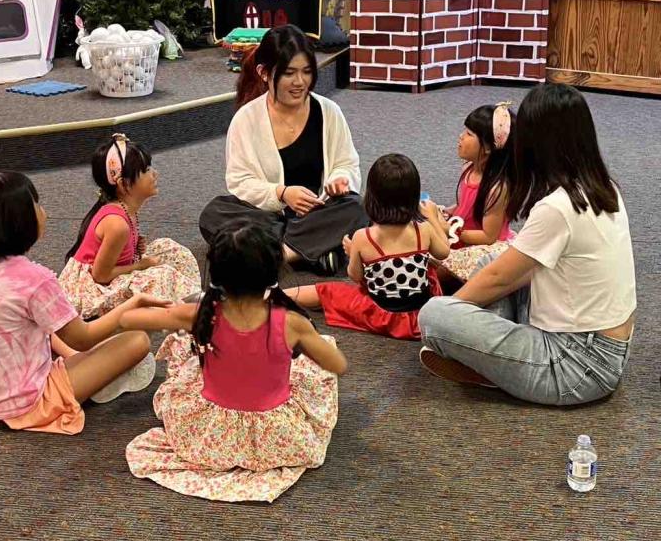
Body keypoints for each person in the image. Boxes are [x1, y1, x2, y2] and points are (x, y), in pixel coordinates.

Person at [418, 83, 636, 405]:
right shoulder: (604, 187)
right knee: (490, 263)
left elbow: (498, 279)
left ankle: (494, 365)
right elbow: (508, 271)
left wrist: (453, 314)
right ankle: (495, 360)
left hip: (575, 365)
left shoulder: (557, 207)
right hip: (602, 347)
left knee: (433, 314)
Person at [122, 221, 348, 503]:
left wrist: (144, 304)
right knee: (317, 359)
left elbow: (127, 320)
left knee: (184, 351)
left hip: (209, 437)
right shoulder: (291, 323)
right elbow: (337, 365)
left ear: (217, 273)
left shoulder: (199, 313)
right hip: (276, 439)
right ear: (273, 271)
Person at [0, 171, 168, 435]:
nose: (43, 211)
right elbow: (84, 338)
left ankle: (86, 368)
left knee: (52, 326)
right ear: (19, 221)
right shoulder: (35, 280)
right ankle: (92, 381)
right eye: (36, 204)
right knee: (138, 341)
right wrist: (132, 304)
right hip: (26, 403)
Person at [198, 25, 367, 275]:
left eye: (307, 72)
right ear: (264, 73)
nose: (300, 82)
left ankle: (280, 254)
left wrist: (339, 180)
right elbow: (239, 181)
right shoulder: (246, 118)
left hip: (319, 212)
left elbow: (346, 164)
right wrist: (282, 193)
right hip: (269, 216)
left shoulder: (329, 111)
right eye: (289, 73)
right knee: (215, 213)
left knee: (356, 207)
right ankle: (315, 249)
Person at [287, 154, 449, 340]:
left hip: (381, 315)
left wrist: (352, 252)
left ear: (372, 197)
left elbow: (356, 276)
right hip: (420, 316)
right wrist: (432, 218)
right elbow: (443, 252)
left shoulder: (363, 237)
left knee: (329, 291)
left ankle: (276, 295)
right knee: (430, 269)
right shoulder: (424, 229)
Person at [59, 133, 200, 318]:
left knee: (170, 249)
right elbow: (100, 276)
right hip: (90, 291)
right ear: (124, 184)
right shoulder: (117, 224)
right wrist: (140, 265)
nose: (154, 174)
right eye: (146, 170)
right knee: (161, 276)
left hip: (108, 274)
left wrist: (135, 249)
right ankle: (190, 313)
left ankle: (192, 302)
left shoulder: (124, 209)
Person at [433, 102, 516, 287]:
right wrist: (446, 212)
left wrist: (450, 230)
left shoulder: (496, 188)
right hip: (463, 234)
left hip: (484, 246)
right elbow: (466, 205)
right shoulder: (468, 169)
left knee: (439, 269)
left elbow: (488, 236)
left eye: (469, 134)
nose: (461, 136)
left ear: (487, 147)